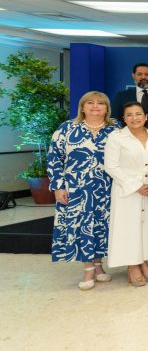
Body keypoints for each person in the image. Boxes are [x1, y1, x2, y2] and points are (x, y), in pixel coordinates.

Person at [46, 91, 119, 290]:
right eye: (90, 103)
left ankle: (98, 265)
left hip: (107, 188)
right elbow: (54, 158)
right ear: (82, 107)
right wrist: (58, 186)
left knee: (102, 226)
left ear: (107, 108)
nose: (95, 106)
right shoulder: (67, 128)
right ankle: (88, 269)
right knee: (82, 225)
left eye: (100, 103)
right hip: (76, 188)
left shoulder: (116, 129)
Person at [103, 102, 148, 286]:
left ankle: (144, 261)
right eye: (129, 115)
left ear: (146, 117)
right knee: (128, 229)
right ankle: (132, 266)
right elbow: (111, 166)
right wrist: (136, 186)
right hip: (126, 190)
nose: (134, 118)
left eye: (138, 114)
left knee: (147, 228)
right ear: (124, 118)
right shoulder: (116, 137)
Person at [111, 62, 148, 132]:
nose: (143, 77)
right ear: (133, 76)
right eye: (139, 74)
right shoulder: (122, 95)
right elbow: (114, 119)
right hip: (127, 136)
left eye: (147, 74)